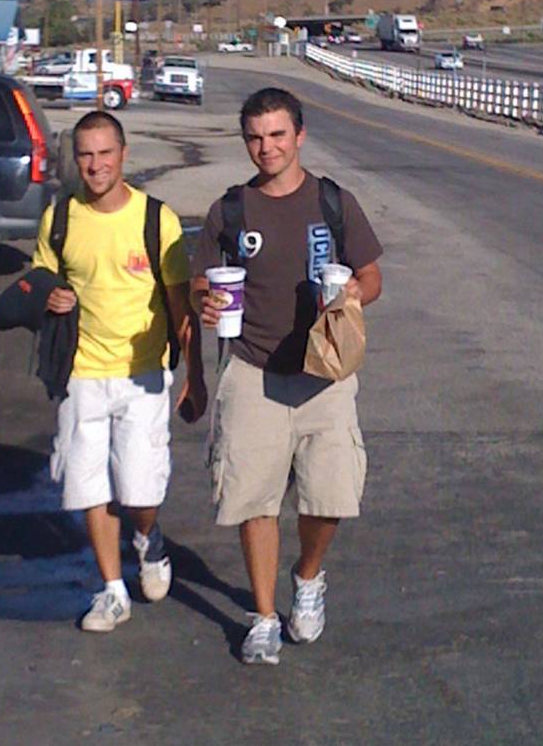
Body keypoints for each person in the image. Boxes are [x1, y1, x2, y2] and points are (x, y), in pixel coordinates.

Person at [191, 87, 383, 665]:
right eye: (255, 136)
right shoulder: (230, 210)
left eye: (277, 135)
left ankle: (308, 576)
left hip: (324, 373)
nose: (266, 147)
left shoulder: (333, 202)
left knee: (330, 497)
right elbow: (202, 278)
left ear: (299, 136)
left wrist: (353, 292)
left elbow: (371, 275)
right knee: (255, 500)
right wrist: (204, 301)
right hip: (252, 371)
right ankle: (264, 617)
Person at [33, 110, 206, 633]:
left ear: (123, 155)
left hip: (142, 374)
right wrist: (50, 295)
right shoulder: (60, 218)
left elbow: (181, 309)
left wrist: (195, 377)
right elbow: (41, 278)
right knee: (89, 488)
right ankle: (111, 591)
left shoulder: (157, 220)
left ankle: (147, 539)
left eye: (105, 153)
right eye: (85, 154)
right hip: (80, 372)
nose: (95, 164)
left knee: (141, 492)